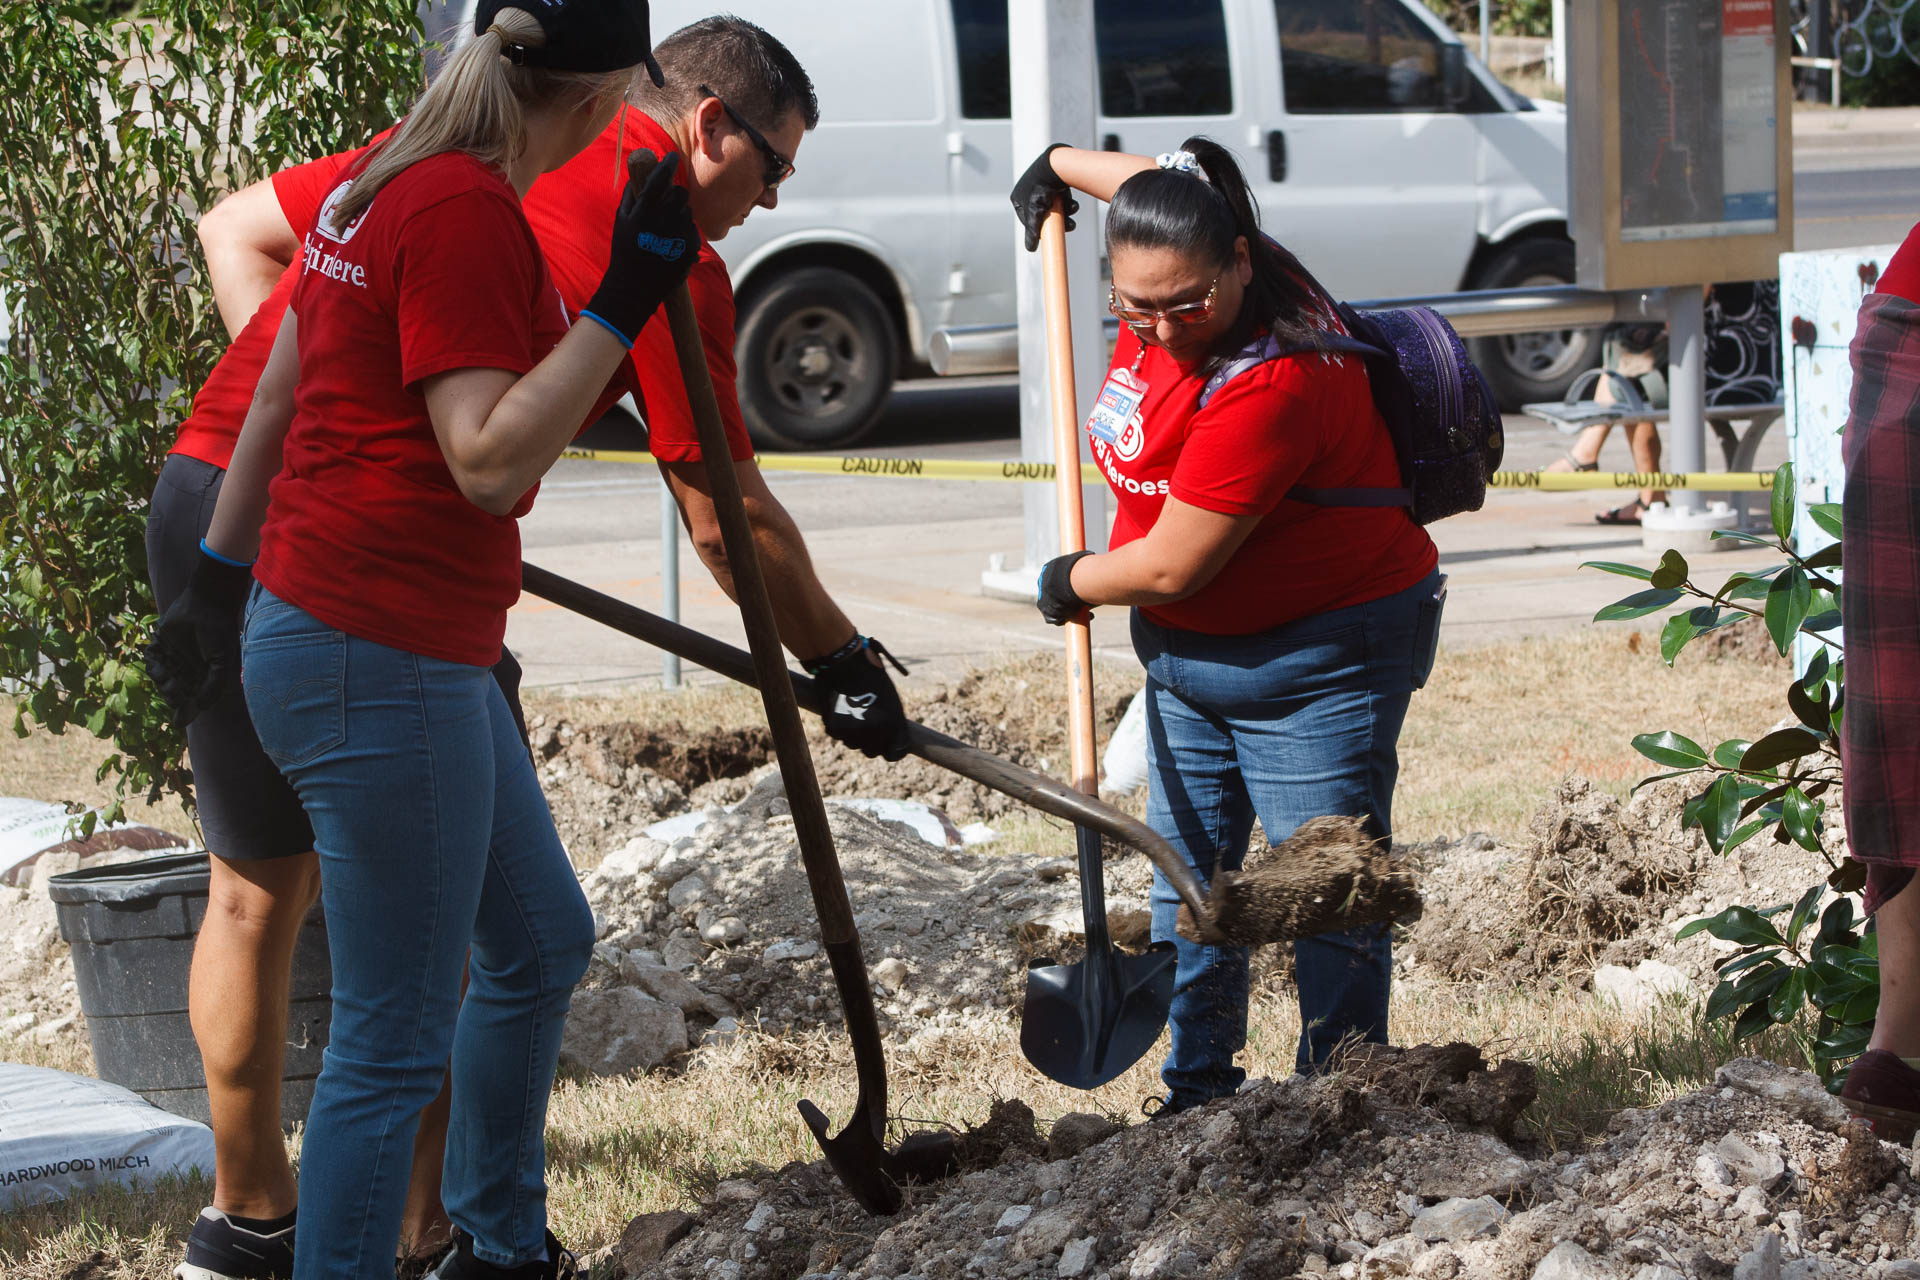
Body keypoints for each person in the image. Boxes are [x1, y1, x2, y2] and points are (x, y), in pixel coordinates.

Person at [155, 17, 900, 1279]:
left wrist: (229, 565)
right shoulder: (475, 208)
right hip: (368, 628)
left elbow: (274, 336)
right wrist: (840, 656)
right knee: (389, 1030)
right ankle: (316, 1236)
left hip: (332, 583)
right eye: (771, 169)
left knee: (534, 932)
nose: (772, 199)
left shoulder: (404, 164)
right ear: (673, 108)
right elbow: (529, 470)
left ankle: (489, 1246)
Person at [1009, 139, 1444, 1114]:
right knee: (1186, 881)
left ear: (1244, 259)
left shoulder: (1275, 378)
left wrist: (1067, 576)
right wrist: (1057, 166)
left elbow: (1172, 563)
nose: (1161, 326)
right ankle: (1197, 1091)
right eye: (1135, 304)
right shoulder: (1177, 258)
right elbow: (1150, 194)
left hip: (1319, 657)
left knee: (1323, 888)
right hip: (1190, 665)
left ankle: (1339, 1100)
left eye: (1187, 302)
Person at [1835, 224, 1920, 1140]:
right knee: (1905, 707)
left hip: (1905, 323)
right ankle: (1895, 1056)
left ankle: (1895, 1058)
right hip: (1911, 329)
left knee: (1905, 707)